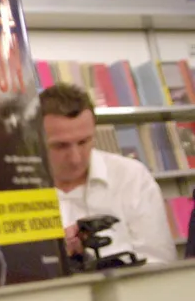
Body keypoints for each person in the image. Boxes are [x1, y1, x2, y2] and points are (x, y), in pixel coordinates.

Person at [39, 82, 176, 266]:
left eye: (83, 142)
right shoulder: (12, 187)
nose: (75, 158)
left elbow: (159, 262)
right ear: (36, 138)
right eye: (60, 146)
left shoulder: (131, 176)